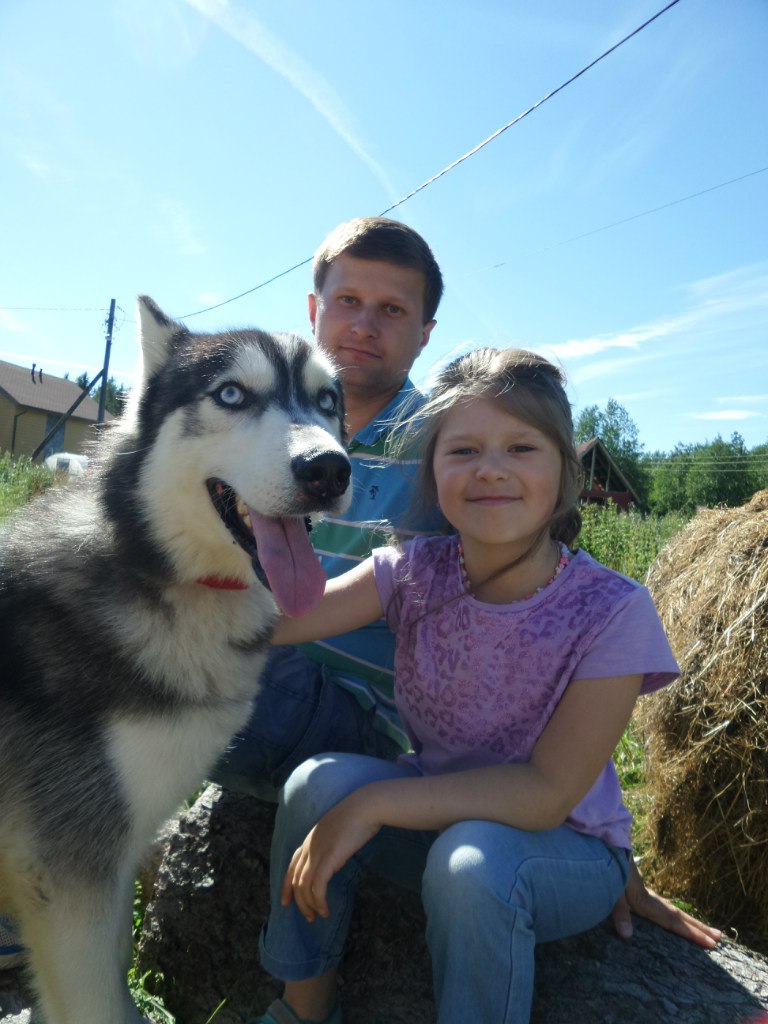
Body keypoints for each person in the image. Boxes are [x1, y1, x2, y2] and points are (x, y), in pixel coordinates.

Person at [210, 216, 720, 951]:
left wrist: (592, 830)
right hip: (293, 674)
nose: (365, 325)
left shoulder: (446, 438)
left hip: (376, 731)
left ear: (425, 332)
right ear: (313, 312)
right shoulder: (260, 426)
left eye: (393, 310)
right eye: (348, 301)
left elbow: (543, 624)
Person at [249, 347, 694, 1024]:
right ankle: (301, 1011)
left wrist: (370, 806)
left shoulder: (611, 610)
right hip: (438, 818)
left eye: (521, 447)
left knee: (473, 861)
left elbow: (546, 794)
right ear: (432, 471)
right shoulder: (411, 570)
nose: (490, 469)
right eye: (463, 451)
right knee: (318, 783)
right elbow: (283, 622)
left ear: (566, 471)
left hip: (561, 851)